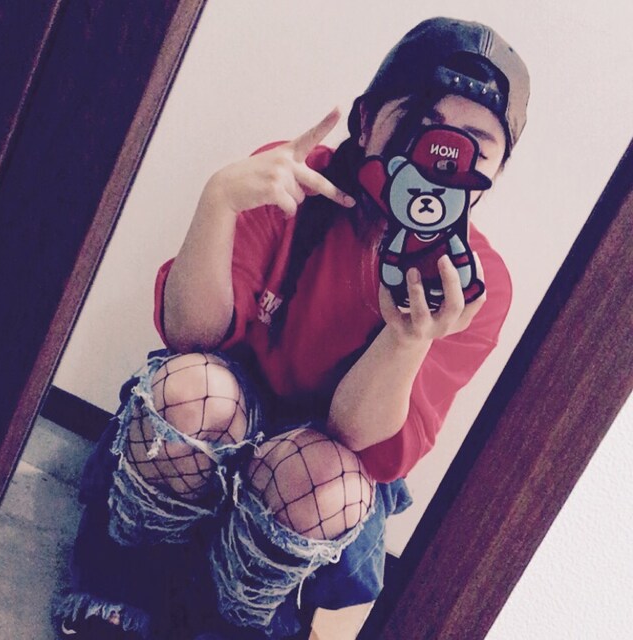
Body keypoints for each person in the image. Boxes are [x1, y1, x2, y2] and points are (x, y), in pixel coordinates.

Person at [54, 16, 530, 640]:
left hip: (321, 475)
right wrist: (218, 202)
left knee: (326, 479)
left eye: (473, 144)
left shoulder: (471, 284)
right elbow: (190, 337)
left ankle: (238, 617)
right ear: (367, 120)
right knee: (192, 389)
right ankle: (121, 575)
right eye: (421, 121)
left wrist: (407, 337)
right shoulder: (295, 178)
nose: (439, 154)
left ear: (494, 171)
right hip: (221, 417)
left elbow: (356, 438)